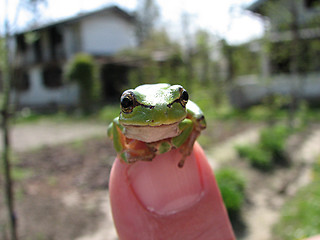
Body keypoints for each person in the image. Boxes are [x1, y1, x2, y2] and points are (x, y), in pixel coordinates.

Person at [109, 142, 235, 240]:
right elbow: (113, 128)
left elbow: (193, 120)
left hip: (173, 124)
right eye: (127, 106)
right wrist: (123, 149)